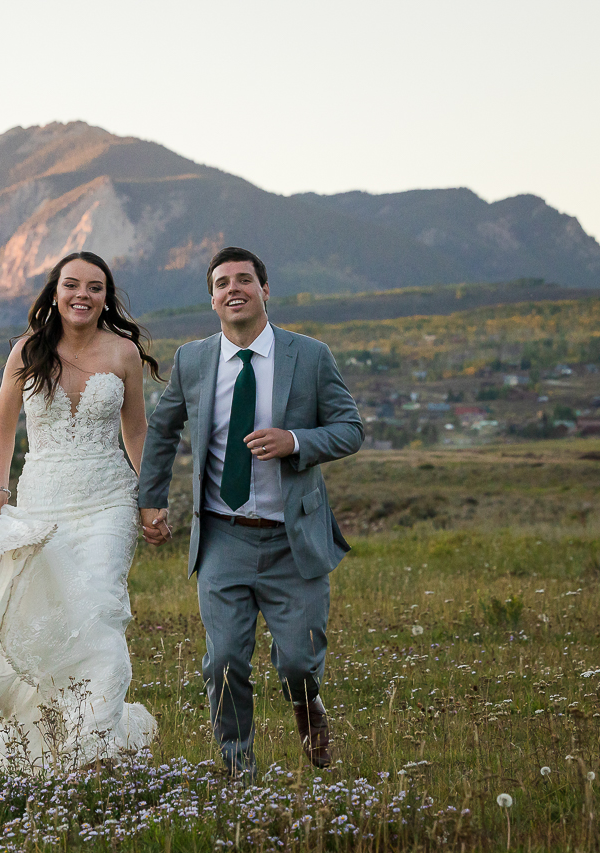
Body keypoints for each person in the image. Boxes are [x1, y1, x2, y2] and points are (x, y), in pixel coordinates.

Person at [138, 246, 363, 779]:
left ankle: (308, 705)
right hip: (223, 537)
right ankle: (238, 771)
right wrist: (150, 499)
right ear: (212, 297)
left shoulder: (309, 356)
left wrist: (295, 440)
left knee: (298, 664)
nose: (233, 288)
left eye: (245, 279)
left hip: (293, 539)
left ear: (265, 290)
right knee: (223, 663)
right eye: (222, 282)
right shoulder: (191, 360)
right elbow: (163, 429)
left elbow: (350, 429)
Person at [0, 251, 161, 774]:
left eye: (96, 287)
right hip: (43, 502)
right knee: (51, 618)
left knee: (100, 610)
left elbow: (136, 431)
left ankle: (95, 750)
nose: (83, 294)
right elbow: (3, 427)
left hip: (108, 500)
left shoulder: (123, 352)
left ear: (107, 297)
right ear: (55, 294)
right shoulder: (27, 351)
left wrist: (150, 497)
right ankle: (52, 743)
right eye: (72, 285)